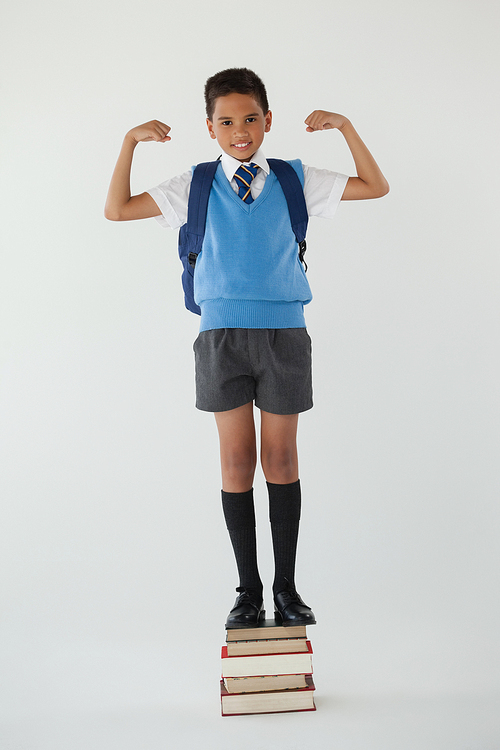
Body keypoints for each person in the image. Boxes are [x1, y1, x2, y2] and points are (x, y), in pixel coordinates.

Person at [105, 67, 389, 629]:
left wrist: (347, 128)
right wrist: (128, 142)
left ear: (267, 121)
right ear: (209, 128)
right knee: (237, 461)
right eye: (227, 121)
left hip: (285, 332)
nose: (241, 130)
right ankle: (248, 590)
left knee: (280, 459)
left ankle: (286, 588)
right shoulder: (197, 184)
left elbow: (375, 187)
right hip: (221, 337)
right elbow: (117, 210)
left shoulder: (292, 178)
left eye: (251, 118)